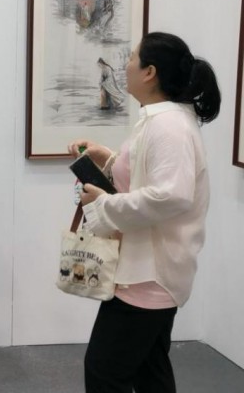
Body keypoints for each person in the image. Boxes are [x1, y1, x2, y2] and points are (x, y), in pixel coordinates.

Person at [68, 32, 221, 393]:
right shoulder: (162, 120)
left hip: (148, 276)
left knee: (104, 371)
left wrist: (103, 204)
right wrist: (108, 158)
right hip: (149, 271)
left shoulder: (168, 126)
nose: (126, 65)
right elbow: (147, 176)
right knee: (150, 371)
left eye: (133, 58)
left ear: (150, 72)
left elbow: (171, 196)